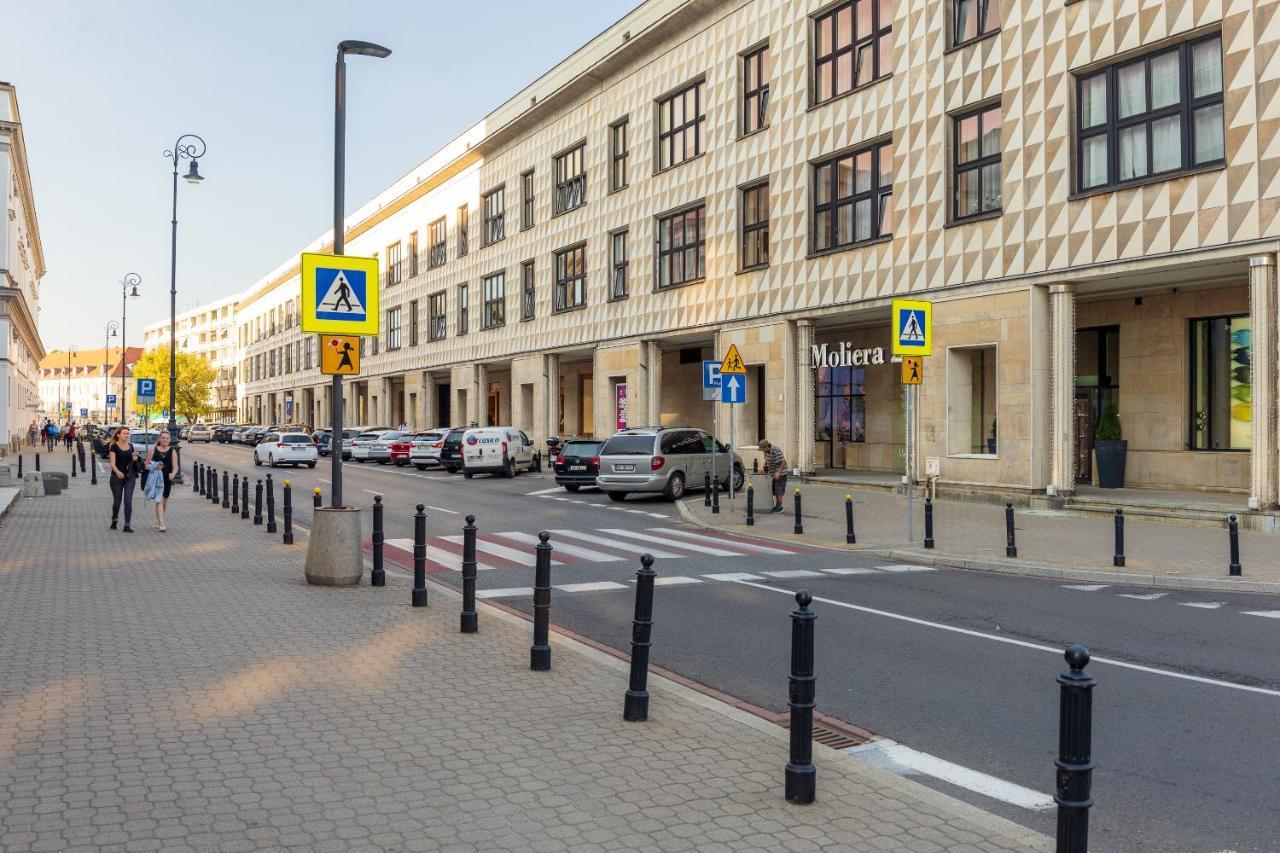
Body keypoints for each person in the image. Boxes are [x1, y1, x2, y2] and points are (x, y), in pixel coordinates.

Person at [144, 429, 179, 532]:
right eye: (163, 438)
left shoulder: (173, 451)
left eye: (167, 438)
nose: (165, 440)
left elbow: (175, 466)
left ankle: (160, 518)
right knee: (160, 499)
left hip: (167, 479)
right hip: (156, 479)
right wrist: (155, 466)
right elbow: (146, 465)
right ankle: (161, 523)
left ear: (169, 440)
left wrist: (173, 473)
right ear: (159, 439)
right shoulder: (153, 450)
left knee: (165, 500)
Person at [108, 426, 140, 533]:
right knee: (117, 501)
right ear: (118, 435)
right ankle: (115, 518)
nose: (126, 435)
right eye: (124, 433)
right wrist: (117, 472)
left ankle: (127, 524)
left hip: (129, 477)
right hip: (116, 477)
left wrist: (135, 459)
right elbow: (112, 463)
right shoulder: (114, 446)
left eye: (127, 433)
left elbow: (133, 461)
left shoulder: (131, 446)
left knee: (128, 500)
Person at [758, 439, 789, 513]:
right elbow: (766, 459)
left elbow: (783, 461)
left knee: (779, 489)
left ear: (766, 447)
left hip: (781, 473)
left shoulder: (775, 450)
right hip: (773, 473)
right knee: (774, 489)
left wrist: (778, 472)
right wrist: (762, 466)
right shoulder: (766, 451)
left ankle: (780, 507)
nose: (762, 451)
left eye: (762, 449)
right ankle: (777, 505)